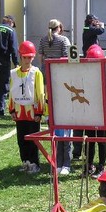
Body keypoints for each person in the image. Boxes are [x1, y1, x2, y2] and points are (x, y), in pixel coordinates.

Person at [38, 19, 72, 174]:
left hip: (47, 76)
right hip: (61, 77)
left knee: (51, 103)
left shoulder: (43, 40)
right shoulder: (64, 40)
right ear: (60, 28)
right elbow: (66, 59)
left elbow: (41, 58)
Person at [8, 41, 45, 174]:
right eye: (25, 57)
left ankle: (35, 163)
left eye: (30, 57)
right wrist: (11, 109)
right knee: (21, 139)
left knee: (33, 140)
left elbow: (40, 93)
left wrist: (39, 112)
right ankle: (25, 162)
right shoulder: (14, 73)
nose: (27, 60)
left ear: (33, 57)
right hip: (19, 112)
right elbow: (12, 92)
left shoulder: (36, 73)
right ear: (20, 56)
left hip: (32, 112)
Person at [81, 45, 106, 178]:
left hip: (102, 113)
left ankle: (101, 166)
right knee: (89, 140)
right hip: (89, 111)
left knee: (101, 140)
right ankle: (88, 164)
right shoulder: (84, 75)